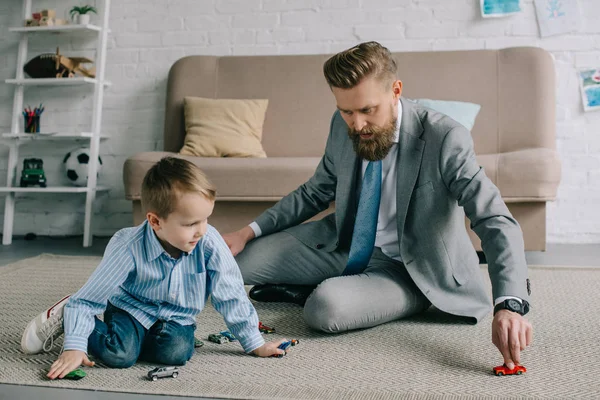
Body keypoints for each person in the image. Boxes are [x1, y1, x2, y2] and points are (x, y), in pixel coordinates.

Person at [223, 41, 533, 370]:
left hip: (411, 269)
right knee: (236, 264)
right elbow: (316, 190)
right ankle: (323, 283)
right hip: (344, 244)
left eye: (368, 110)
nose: (356, 124)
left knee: (324, 309)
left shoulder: (445, 138)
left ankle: (339, 293)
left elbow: (494, 218)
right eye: (347, 111)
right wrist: (247, 232)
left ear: (396, 90)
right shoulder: (340, 125)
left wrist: (511, 303)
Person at [21, 157, 287, 380]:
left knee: (176, 354)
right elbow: (91, 298)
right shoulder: (128, 245)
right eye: (190, 224)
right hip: (131, 308)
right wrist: (75, 346)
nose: (201, 231)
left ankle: (138, 343)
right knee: (120, 356)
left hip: (176, 316)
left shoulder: (209, 242)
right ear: (155, 221)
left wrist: (255, 343)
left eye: (205, 219)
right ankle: (70, 316)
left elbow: (230, 294)